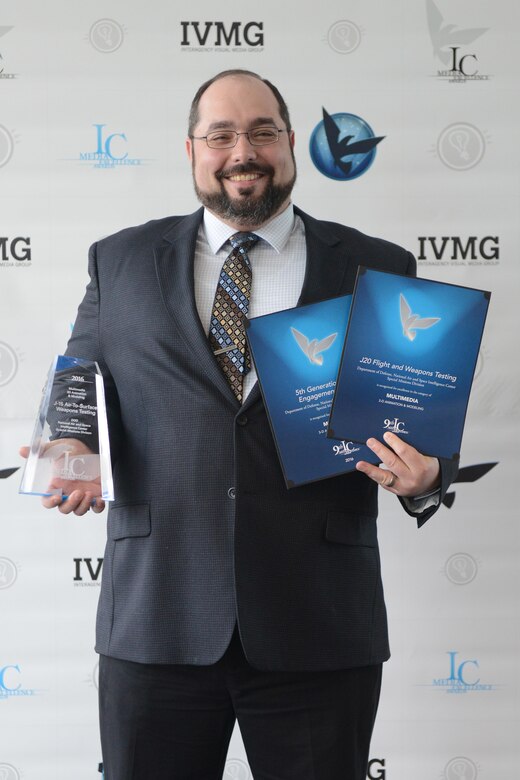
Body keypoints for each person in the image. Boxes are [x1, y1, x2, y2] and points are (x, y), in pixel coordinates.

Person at [21, 70, 457, 779]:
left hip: (317, 625)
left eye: (260, 132)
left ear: (290, 143)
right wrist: (72, 443)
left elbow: (419, 418)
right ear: (191, 150)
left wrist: (428, 474)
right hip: (156, 620)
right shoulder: (121, 259)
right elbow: (80, 376)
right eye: (220, 134)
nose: (241, 151)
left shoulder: (377, 266)